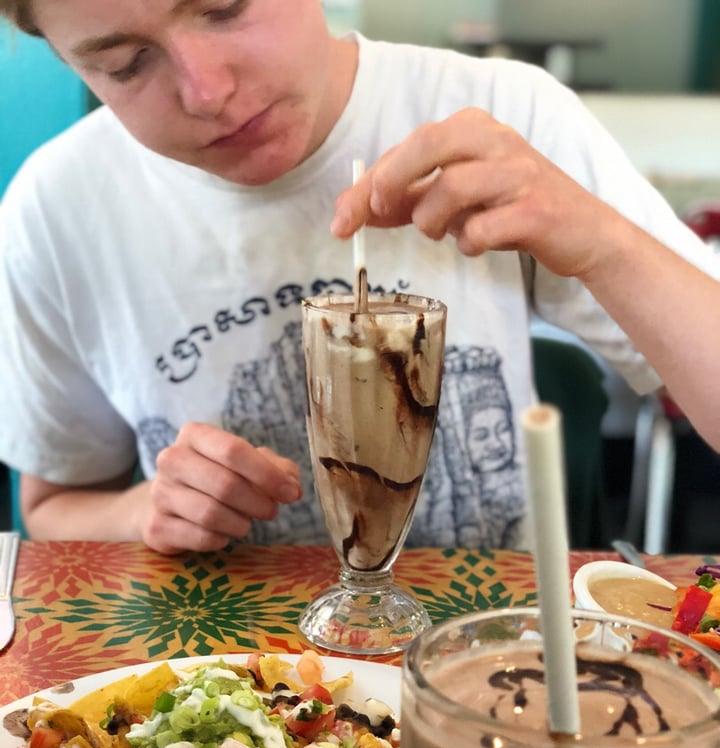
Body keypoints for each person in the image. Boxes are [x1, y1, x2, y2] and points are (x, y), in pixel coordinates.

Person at [0, 0, 718, 557]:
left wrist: (605, 246)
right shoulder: (56, 210)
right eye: (126, 64)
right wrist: (142, 510)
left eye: (226, 7)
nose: (207, 90)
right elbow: (54, 505)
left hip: (488, 675)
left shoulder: (506, 115)